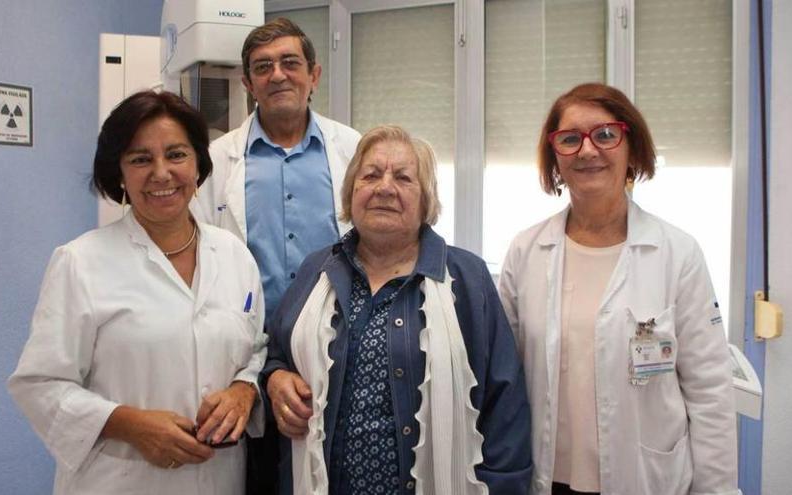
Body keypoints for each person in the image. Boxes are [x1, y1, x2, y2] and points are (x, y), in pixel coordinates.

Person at [7, 91, 266, 495]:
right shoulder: (81, 262)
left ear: (198, 164)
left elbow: (254, 350)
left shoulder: (234, 255)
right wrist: (128, 424)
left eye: (176, 154)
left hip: (220, 479)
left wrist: (243, 390)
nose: (161, 173)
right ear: (120, 174)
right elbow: (39, 384)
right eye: (141, 159)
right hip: (119, 480)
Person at [263, 125, 533, 494]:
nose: (384, 188)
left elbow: (505, 407)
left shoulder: (466, 280)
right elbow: (276, 354)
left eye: (403, 178)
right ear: (351, 192)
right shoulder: (317, 271)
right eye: (371, 175)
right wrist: (276, 379)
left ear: (426, 201)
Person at [499, 83, 738, 495]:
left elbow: (710, 390)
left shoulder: (676, 253)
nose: (588, 150)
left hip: (645, 478)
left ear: (632, 148)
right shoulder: (526, 250)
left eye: (606, 134)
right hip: (547, 478)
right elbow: (503, 378)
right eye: (570, 139)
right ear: (555, 158)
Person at [191, 18, 361, 493]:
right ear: (247, 83)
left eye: (290, 63)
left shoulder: (354, 150)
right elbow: (202, 261)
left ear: (315, 74)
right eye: (263, 67)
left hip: (338, 348)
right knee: (261, 478)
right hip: (250, 361)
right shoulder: (214, 162)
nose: (278, 75)